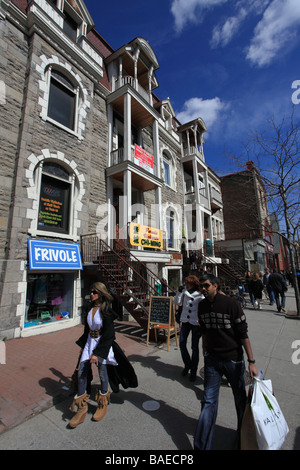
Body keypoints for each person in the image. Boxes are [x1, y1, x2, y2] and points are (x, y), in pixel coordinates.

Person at [195, 274, 258, 450]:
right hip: (212, 360)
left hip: (233, 359)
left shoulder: (232, 305)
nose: (204, 289)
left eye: (206, 285)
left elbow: (243, 335)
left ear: (216, 285)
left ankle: (242, 437)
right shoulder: (201, 306)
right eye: (202, 286)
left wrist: (251, 361)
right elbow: (205, 331)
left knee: (239, 399)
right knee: (208, 400)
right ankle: (202, 446)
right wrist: (204, 352)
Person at [69, 282, 138, 428]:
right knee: (82, 371)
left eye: (94, 292)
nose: (91, 294)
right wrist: (84, 348)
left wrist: (98, 353)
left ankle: (102, 404)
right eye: (91, 291)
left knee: (102, 372)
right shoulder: (90, 308)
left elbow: (109, 334)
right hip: (89, 341)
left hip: (101, 343)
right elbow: (87, 330)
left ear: (100, 293)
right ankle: (81, 409)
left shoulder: (105, 310)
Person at [174, 275, 204, 382]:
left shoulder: (200, 294)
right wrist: (179, 292)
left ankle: (194, 371)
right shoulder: (184, 291)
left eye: (188, 283)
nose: (186, 285)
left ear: (194, 284)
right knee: (182, 343)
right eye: (186, 283)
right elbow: (177, 302)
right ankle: (187, 365)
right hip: (185, 321)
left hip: (195, 322)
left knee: (194, 347)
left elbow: (204, 306)